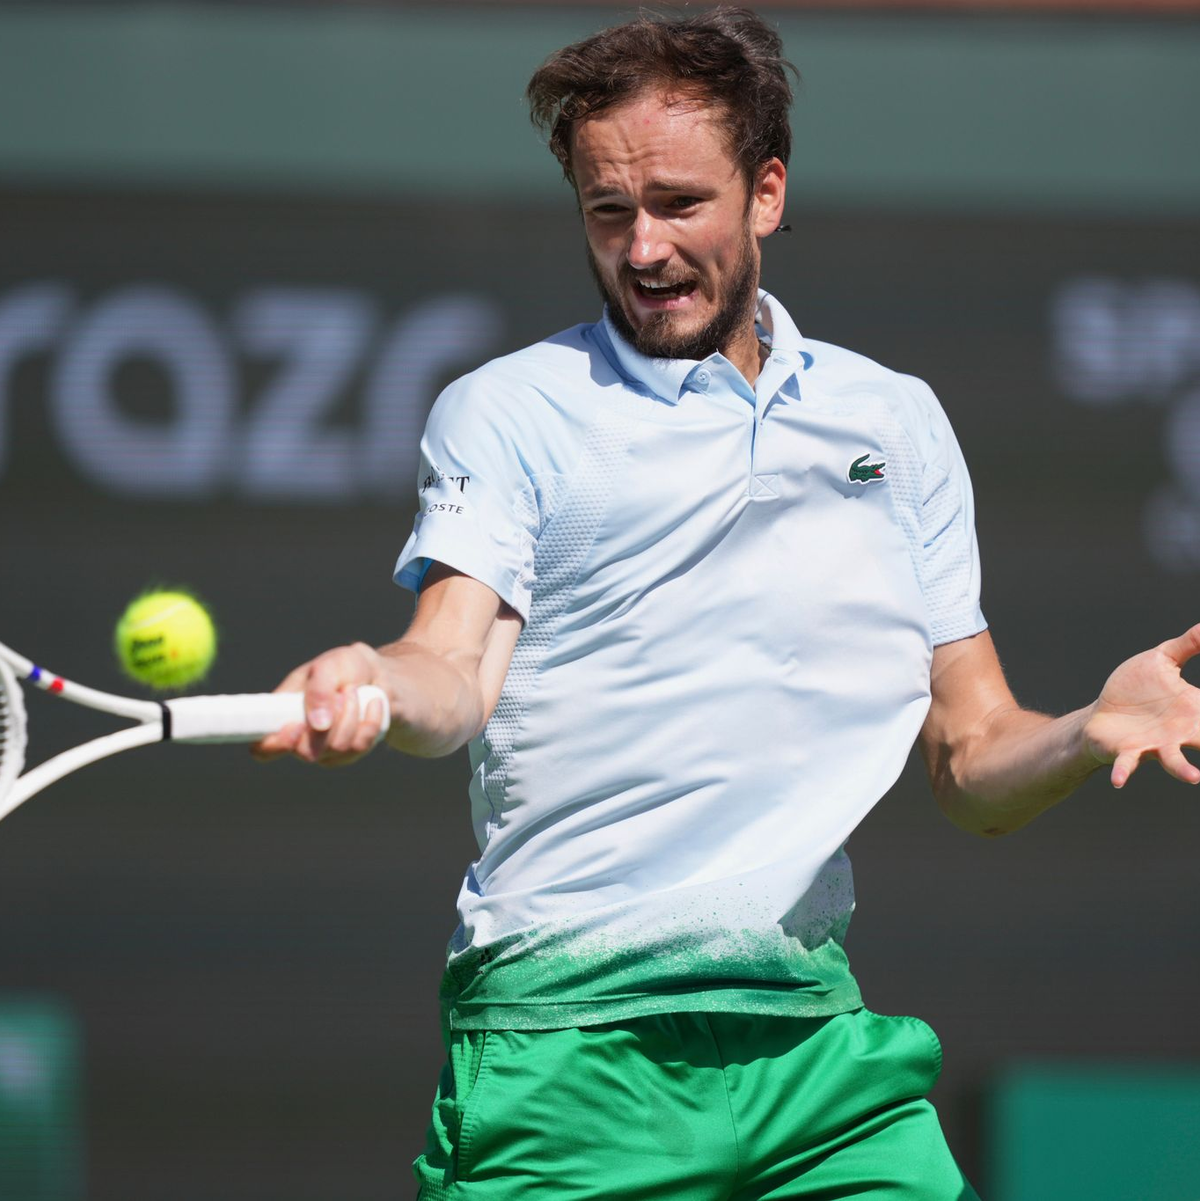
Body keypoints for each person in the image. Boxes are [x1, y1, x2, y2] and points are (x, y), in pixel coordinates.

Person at [255, 8, 1200, 1199]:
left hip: (818, 1061)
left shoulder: (893, 423)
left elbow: (971, 754)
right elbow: (450, 669)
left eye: (678, 205)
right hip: (568, 1054)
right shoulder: (508, 412)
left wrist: (1084, 730)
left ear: (766, 190)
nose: (642, 249)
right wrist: (378, 684)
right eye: (609, 212)